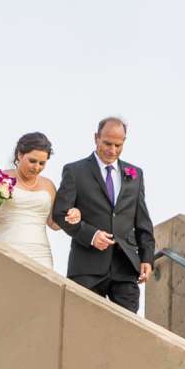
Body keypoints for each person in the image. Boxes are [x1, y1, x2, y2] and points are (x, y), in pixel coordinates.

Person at [52, 116, 155, 313]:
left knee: (129, 330)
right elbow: (59, 213)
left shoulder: (135, 174)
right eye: (107, 143)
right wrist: (91, 235)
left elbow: (142, 220)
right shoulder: (75, 171)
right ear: (96, 138)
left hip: (125, 266)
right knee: (83, 326)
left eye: (118, 145)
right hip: (86, 267)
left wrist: (147, 258)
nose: (112, 150)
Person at [0, 131, 64, 271]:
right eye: (32, 161)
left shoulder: (49, 185)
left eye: (42, 163)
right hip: (6, 246)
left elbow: (54, 223)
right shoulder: (0, 178)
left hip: (41, 254)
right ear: (20, 154)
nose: (37, 167)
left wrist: (72, 214)